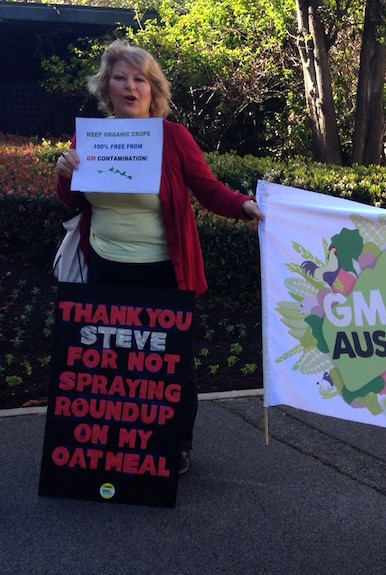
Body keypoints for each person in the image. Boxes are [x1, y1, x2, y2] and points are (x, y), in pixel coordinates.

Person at [55, 39, 265, 476]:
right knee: (108, 361)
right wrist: (63, 175)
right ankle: (116, 444)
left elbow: (208, 190)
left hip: (165, 271)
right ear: (106, 87)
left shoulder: (174, 138)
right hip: (105, 267)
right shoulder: (89, 138)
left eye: (140, 79)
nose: (130, 86)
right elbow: (72, 201)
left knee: (171, 366)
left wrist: (243, 205)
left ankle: (176, 445)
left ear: (153, 90)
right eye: (120, 78)